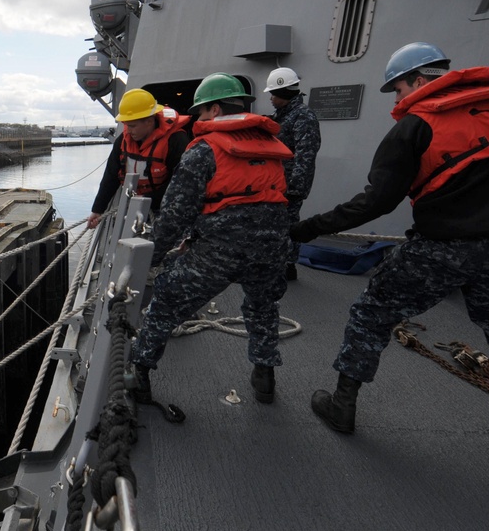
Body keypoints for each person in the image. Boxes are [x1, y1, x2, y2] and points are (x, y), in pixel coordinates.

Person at [290, 42, 489, 433]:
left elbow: (376, 202)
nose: (399, 98)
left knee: (372, 313)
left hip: (442, 250)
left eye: (399, 89)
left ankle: (342, 405)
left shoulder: (415, 127)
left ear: (418, 80)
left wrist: (309, 227)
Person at [129, 73, 292, 404]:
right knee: (262, 307)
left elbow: (175, 214)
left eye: (201, 113)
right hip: (272, 249)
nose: (198, 121)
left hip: (219, 252)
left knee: (166, 298)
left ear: (215, 110)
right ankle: (264, 377)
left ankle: (140, 373)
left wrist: (155, 256)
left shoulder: (204, 150)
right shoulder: (274, 147)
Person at [87, 88, 190, 229]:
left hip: (166, 209)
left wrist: (150, 200)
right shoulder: (123, 141)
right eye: (126, 125)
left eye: (133, 126)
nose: (128, 131)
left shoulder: (176, 141)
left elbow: (181, 184)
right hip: (136, 208)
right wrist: (97, 210)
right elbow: (110, 177)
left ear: (149, 121)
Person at [264, 67, 321, 280]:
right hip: (276, 182)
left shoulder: (303, 117)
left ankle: (288, 266)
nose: (271, 98)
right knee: (274, 223)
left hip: (290, 185)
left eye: (274, 94)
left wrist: (295, 188)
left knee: (288, 225)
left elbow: (306, 155)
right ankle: (274, 262)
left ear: (285, 93)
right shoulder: (283, 115)